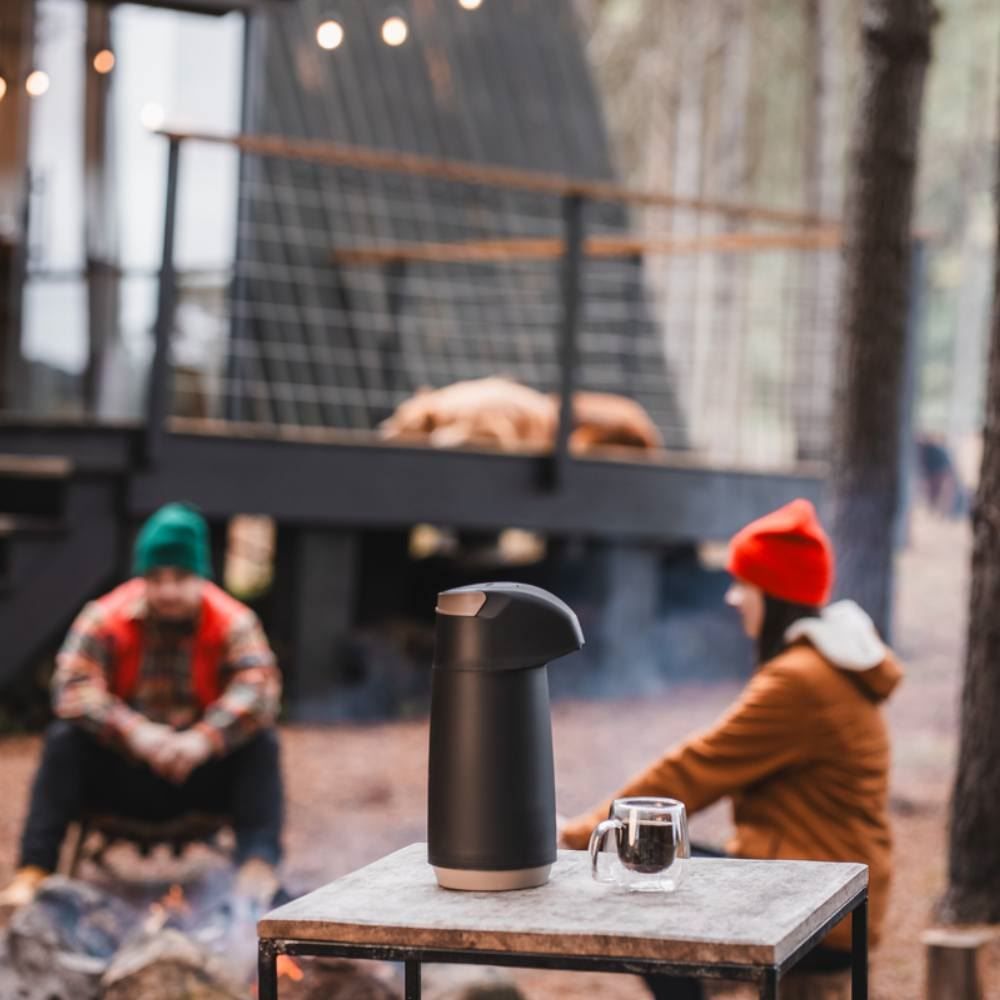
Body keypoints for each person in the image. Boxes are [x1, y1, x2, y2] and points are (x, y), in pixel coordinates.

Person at [560, 499, 902, 997]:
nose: (733, 598)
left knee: (644, 879)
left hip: (820, 903)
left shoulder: (801, 682)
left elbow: (693, 770)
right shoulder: (819, 670)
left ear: (774, 593)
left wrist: (580, 834)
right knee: (665, 874)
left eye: (744, 584)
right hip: (820, 887)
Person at [0, 503, 283, 911]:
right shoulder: (104, 617)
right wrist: (136, 734)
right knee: (64, 740)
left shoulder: (234, 622)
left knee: (263, 744)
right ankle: (34, 872)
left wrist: (201, 741)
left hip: (200, 776)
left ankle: (256, 873)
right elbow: (71, 687)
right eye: (156, 578)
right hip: (125, 775)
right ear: (142, 577)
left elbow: (261, 689)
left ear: (202, 575)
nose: (168, 590)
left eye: (181, 577)